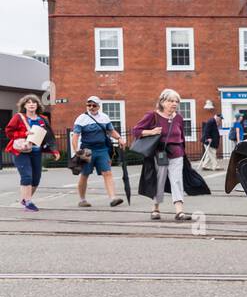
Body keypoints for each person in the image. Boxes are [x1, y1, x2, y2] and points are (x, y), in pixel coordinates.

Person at [133, 89, 207, 221]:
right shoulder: (153, 116)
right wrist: (152, 132)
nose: (174, 104)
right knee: (159, 180)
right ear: (162, 102)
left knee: (177, 181)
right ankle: (155, 208)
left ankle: (179, 211)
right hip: (160, 153)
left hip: (177, 153)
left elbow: (182, 137)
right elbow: (136, 131)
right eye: (170, 101)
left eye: (176, 101)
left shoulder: (178, 118)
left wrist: (184, 154)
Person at [5, 94, 58, 211]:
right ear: (24, 105)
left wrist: (54, 150)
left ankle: (25, 199)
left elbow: (49, 136)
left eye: (34, 102)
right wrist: (24, 134)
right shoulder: (18, 117)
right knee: (27, 176)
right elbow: (8, 132)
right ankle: (28, 202)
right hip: (21, 151)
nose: (31, 104)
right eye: (28, 102)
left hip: (36, 151)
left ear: (37, 105)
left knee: (36, 179)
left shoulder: (43, 119)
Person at [71, 96, 125, 207]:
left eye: (94, 105)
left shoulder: (104, 117)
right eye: (89, 105)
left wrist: (119, 138)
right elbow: (75, 136)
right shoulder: (81, 118)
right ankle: (82, 199)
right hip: (87, 150)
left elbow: (111, 131)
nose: (91, 107)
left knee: (107, 173)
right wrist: (76, 150)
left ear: (98, 106)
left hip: (102, 149)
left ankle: (113, 198)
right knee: (84, 174)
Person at [199, 105, 223, 171]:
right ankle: (215, 166)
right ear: (217, 117)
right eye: (220, 118)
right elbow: (206, 130)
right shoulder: (211, 121)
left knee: (209, 155)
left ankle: (205, 166)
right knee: (212, 154)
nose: (220, 120)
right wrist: (208, 137)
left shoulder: (214, 122)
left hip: (211, 142)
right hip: (208, 141)